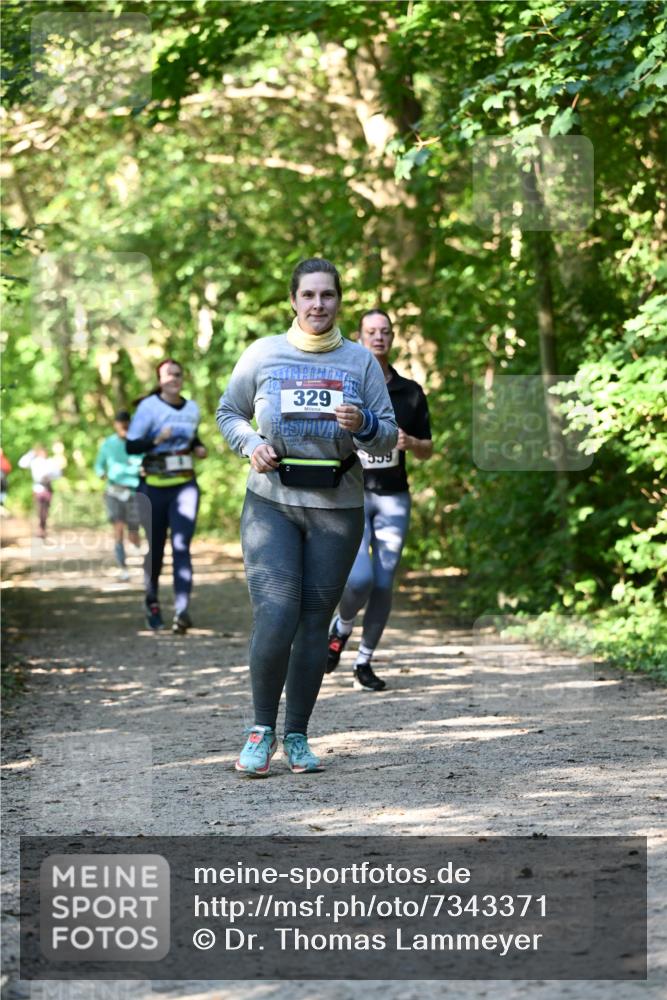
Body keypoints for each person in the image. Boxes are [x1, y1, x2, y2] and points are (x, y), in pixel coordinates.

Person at [217, 258, 397, 777]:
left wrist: (362, 422)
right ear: (293, 301)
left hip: (337, 508)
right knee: (276, 614)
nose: (318, 305)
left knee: (314, 621)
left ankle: (296, 732)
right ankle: (260, 729)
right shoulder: (263, 354)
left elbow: (387, 432)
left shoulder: (359, 362)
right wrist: (251, 444)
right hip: (271, 503)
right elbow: (229, 412)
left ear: (339, 301)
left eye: (328, 296)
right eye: (309, 295)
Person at [326, 308, 432, 690]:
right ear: (358, 336)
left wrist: (412, 442)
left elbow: (428, 449)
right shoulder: (344, 386)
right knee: (359, 581)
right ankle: (341, 627)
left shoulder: (410, 392)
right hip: (350, 495)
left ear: (392, 337)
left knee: (384, 584)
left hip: (392, 498)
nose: (378, 337)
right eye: (371, 331)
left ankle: (363, 662)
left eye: (385, 331)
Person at [126, 360, 207, 633]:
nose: (174, 378)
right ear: (159, 380)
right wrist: (156, 441)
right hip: (154, 487)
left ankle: (182, 610)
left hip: (185, 485)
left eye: (178, 373)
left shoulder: (192, 408)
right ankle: (152, 601)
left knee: (182, 545)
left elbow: (192, 437)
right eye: (168, 374)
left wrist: (198, 447)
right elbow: (131, 445)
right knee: (157, 549)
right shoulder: (148, 407)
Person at [94, 410, 144, 581]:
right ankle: (123, 567)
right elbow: (99, 465)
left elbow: (145, 461)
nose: (123, 426)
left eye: (126, 423)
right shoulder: (108, 444)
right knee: (118, 528)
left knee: (133, 531)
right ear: (115, 425)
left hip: (133, 490)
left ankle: (139, 554)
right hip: (114, 491)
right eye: (120, 423)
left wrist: (143, 469)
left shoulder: (137, 443)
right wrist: (101, 473)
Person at [18, 444, 63, 539]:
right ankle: (40, 528)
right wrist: (31, 453)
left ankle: (43, 527)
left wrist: (50, 476)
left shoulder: (50, 462)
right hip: (38, 488)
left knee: (45, 509)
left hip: (47, 487)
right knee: (39, 508)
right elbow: (22, 463)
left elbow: (58, 473)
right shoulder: (34, 462)